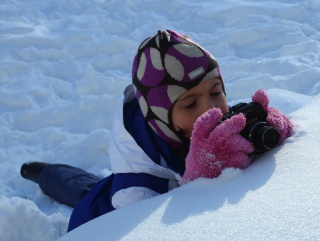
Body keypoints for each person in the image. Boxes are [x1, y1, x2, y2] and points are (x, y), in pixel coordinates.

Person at [20, 30, 294, 231]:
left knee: (89, 185)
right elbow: (172, 230)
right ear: (162, 119)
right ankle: (42, 172)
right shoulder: (138, 193)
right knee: (81, 192)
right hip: (99, 215)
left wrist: (267, 125)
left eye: (216, 92)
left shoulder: (203, 119)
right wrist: (201, 179)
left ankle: (45, 171)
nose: (211, 110)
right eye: (190, 103)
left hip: (106, 187)